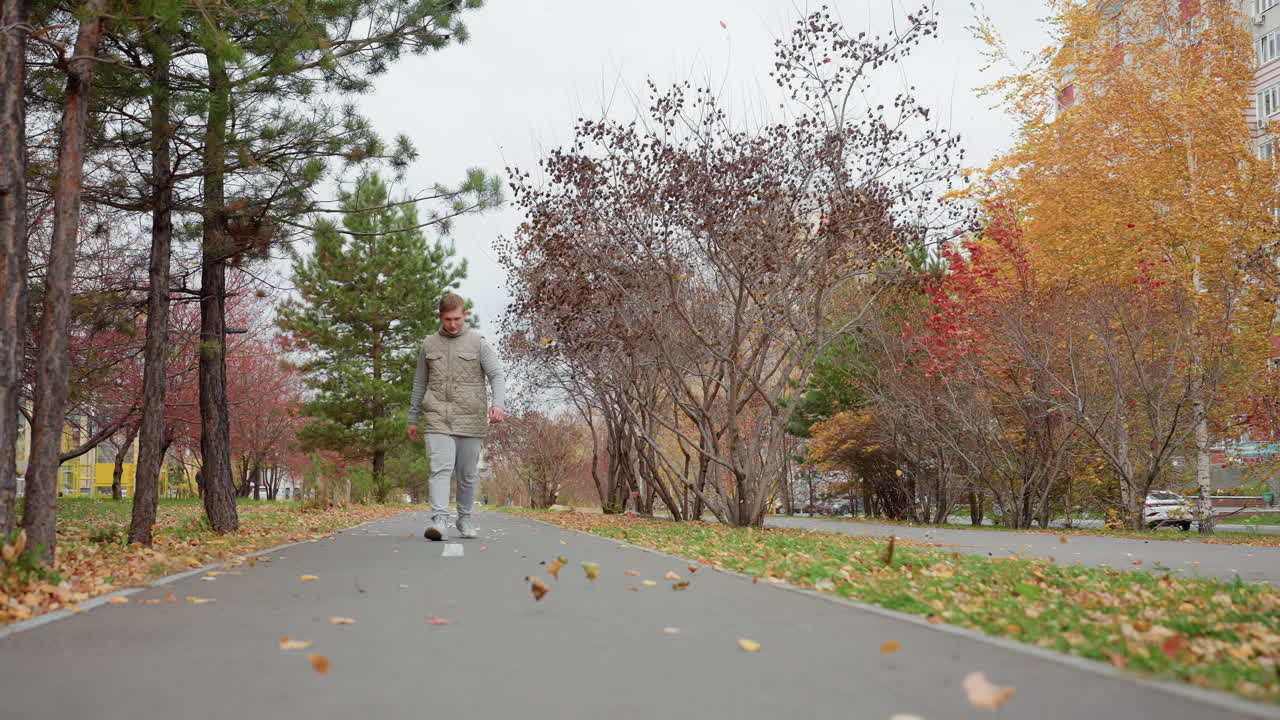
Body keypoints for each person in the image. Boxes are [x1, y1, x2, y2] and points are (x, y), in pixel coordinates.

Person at [407, 293, 506, 540]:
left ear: (465, 316)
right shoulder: (429, 344)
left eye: (457, 319)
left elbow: (496, 374)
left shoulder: (478, 343)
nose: (453, 324)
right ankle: (439, 521)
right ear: (439, 317)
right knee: (440, 469)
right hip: (437, 416)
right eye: (448, 319)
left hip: (470, 418)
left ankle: (465, 519)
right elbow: (420, 382)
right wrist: (412, 417)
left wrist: (498, 404)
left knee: (467, 473)